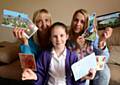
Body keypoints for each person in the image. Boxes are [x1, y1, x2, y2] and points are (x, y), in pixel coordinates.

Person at [21, 22, 96, 85]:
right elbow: (40, 76)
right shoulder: (44, 55)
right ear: (50, 38)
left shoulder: (73, 56)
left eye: (61, 35)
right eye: (55, 36)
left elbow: (76, 80)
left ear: (67, 36)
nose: (58, 39)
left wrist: (83, 77)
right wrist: (35, 77)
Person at [67, 9, 112, 85]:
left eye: (82, 22)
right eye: (76, 20)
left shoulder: (92, 36)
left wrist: (101, 43)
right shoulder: (67, 38)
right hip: (77, 69)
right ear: (72, 21)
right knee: (84, 75)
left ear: (86, 24)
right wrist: (78, 48)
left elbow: (105, 58)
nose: (78, 24)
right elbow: (68, 62)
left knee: (104, 70)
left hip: (92, 66)